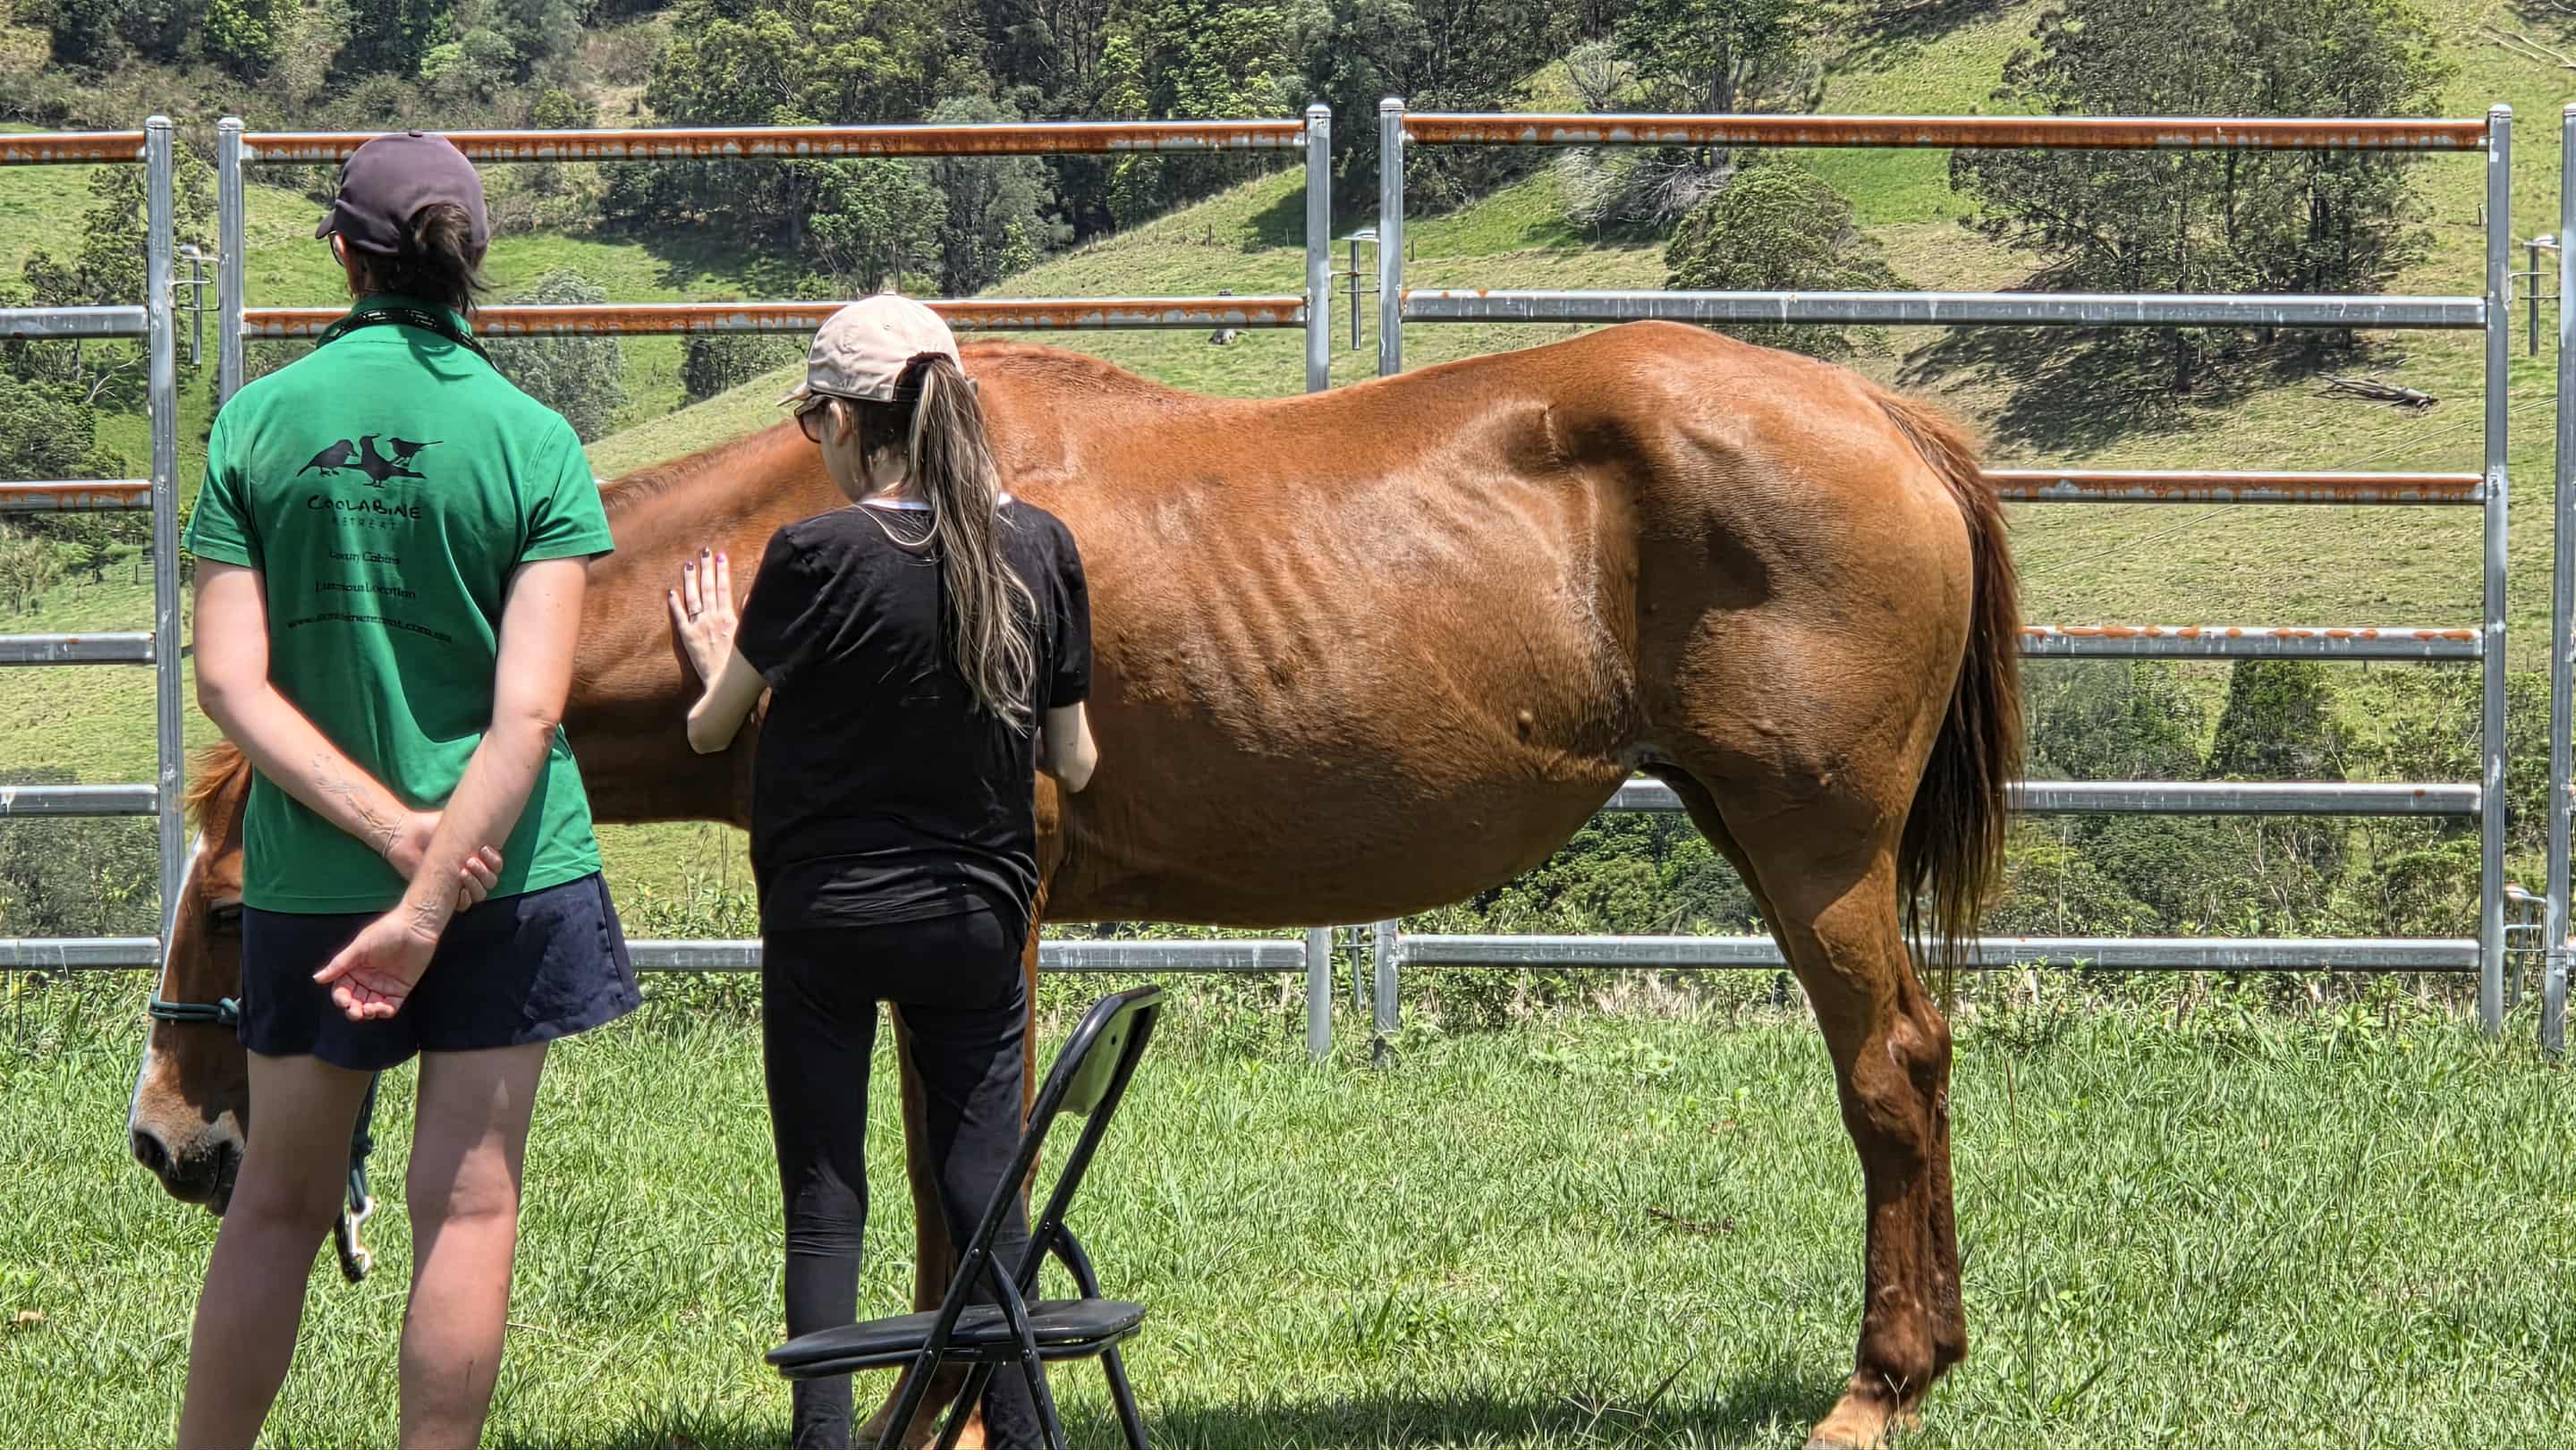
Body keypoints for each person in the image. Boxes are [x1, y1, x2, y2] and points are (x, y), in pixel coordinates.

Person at [176, 131, 638, 1449]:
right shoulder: (533, 439)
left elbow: (231, 687)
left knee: (276, 1200)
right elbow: (532, 710)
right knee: (470, 1205)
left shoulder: (259, 423)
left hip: (319, 882)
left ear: (343, 253)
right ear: (468, 263)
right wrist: (435, 886)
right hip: (509, 874)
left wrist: (385, 839)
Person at [670, 294, 1098, 1450]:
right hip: (975, 920)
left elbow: (714, 731)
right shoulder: (1041, 548)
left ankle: (824, 1435)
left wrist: (717, 653)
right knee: (983, 1179)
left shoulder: (814, 554)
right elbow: (1076, 758)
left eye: (813, 421)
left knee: (827, 1195)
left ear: (849, 424)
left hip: (826, 923)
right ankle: (1021, 1430)